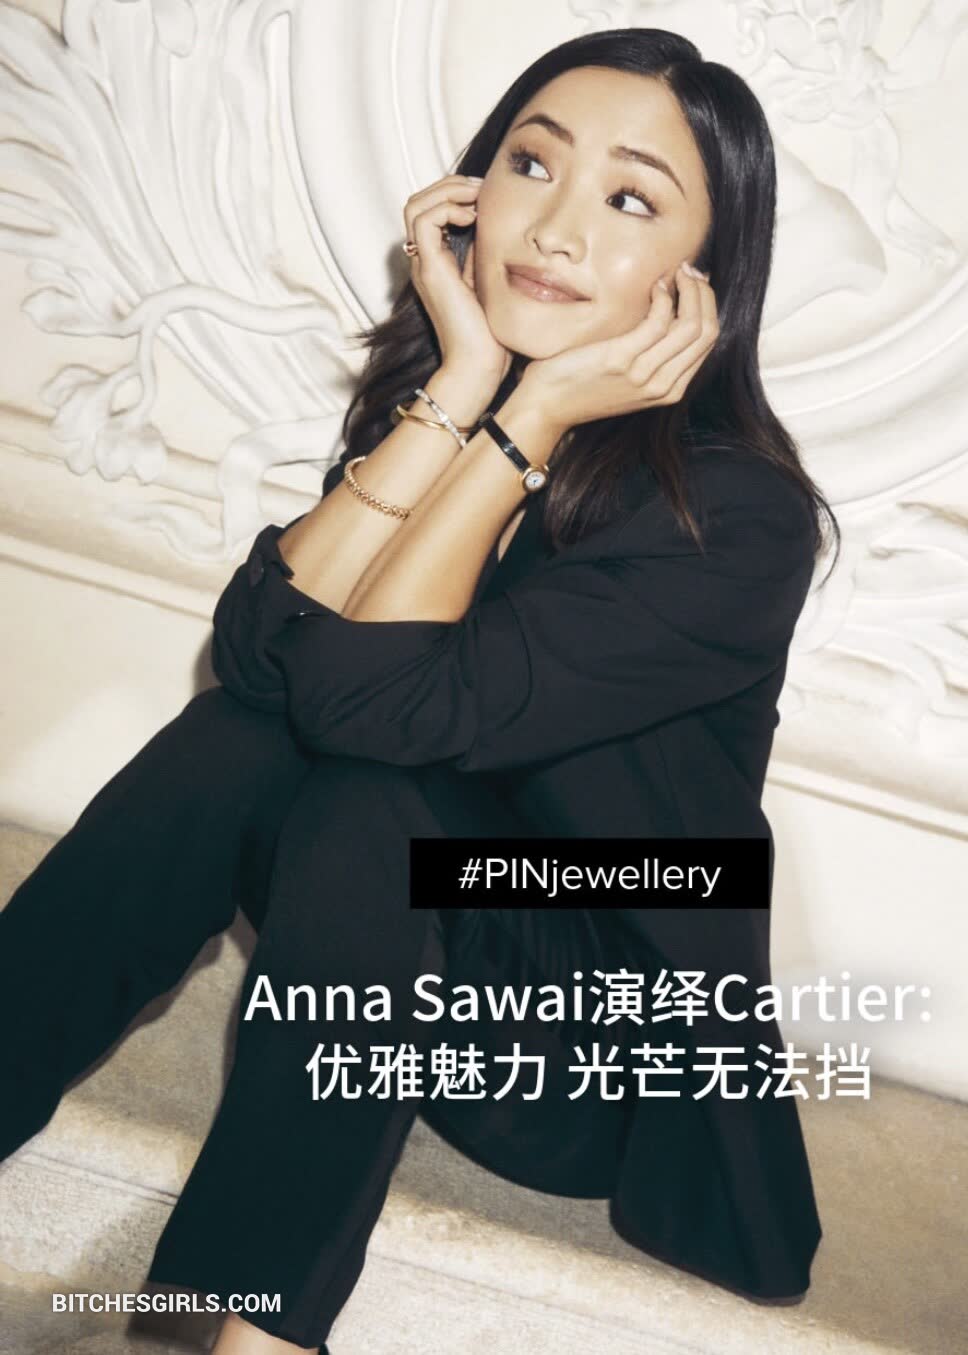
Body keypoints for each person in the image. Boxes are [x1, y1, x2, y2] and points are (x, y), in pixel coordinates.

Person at [0, 26, 839, 1355]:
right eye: (531, 165)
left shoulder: (735, 518)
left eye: (630, 200)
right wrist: (459, 391)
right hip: (384, 950)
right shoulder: (455, 403)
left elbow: (373, 711)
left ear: (703, 275)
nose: (555, 227)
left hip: (579, 1030)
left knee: (372, 804)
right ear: (472, 191)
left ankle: (256, 1330)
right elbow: (261, 660)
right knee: (240, 744)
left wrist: (522, 424)